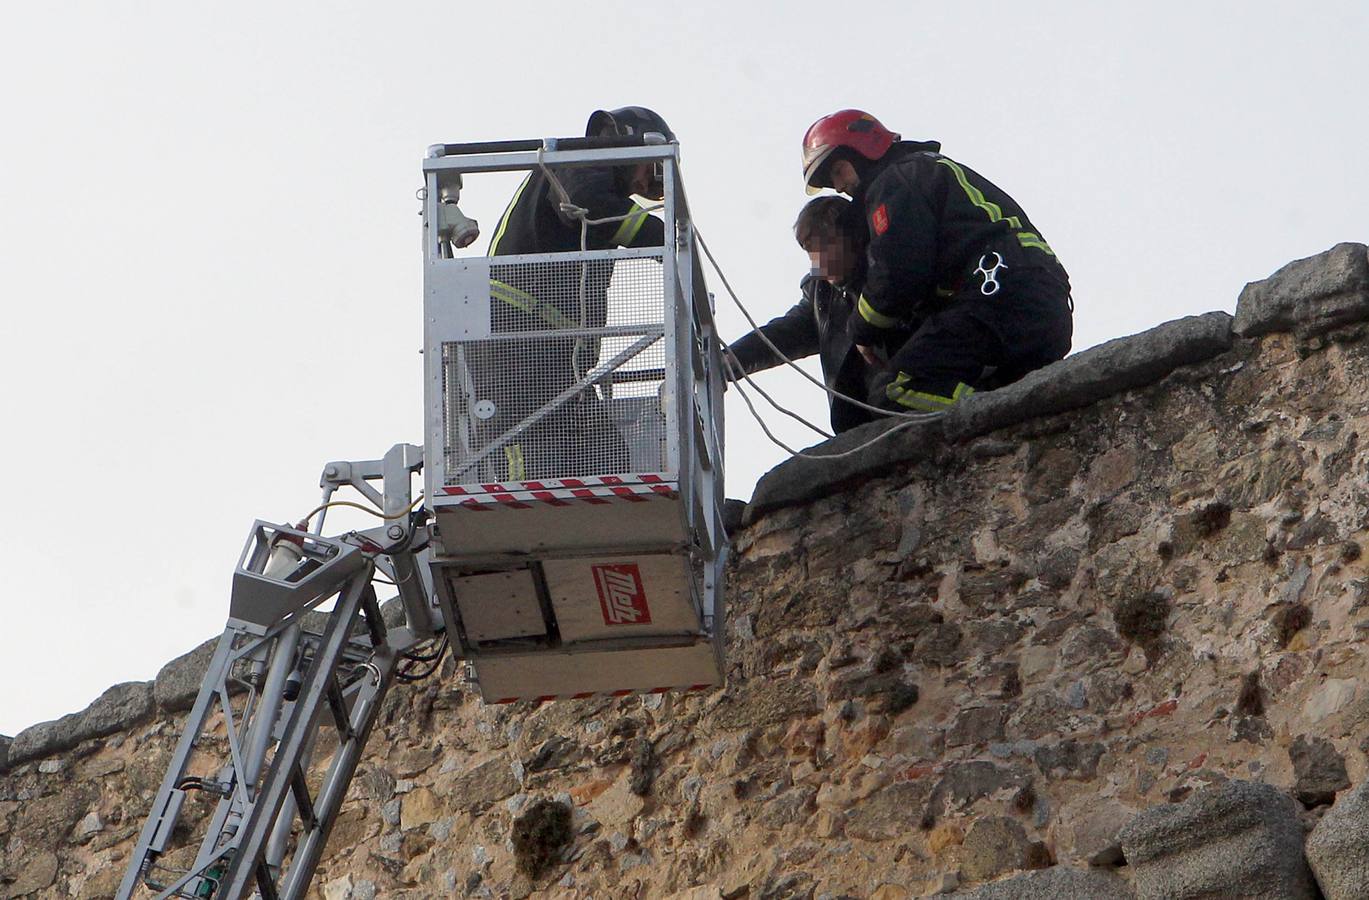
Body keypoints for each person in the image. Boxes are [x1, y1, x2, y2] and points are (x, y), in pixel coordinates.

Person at [801, 109, 1073, 413]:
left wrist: (861, 331)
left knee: (898, 386)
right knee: (986, 384)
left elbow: (897, 274)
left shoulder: (894, 182)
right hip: (1036, 304)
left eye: (839, 171)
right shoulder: (925, 170)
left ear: (861, 149)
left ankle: (999, 420)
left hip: (999, 297)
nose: (839, 187)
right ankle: (1011, 421)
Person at [473, 106, 673, 480]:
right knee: (529, 455)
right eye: (650, 170)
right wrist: (660, 237)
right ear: (630, 142)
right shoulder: (578, 158)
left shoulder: (588, 172)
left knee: (605, 456)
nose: (644, 188)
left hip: (552, 349)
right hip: (514, 338)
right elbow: (585, 205)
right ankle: (522, 521)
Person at [726, 195, 904, 434]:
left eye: (820, 246)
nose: (816, 263)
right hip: (858, 425)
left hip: (908, 402)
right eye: (810, 252)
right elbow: (781, 335)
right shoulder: (821, 296)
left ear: (849, 236)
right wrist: (729, 360)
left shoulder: (890, 266)